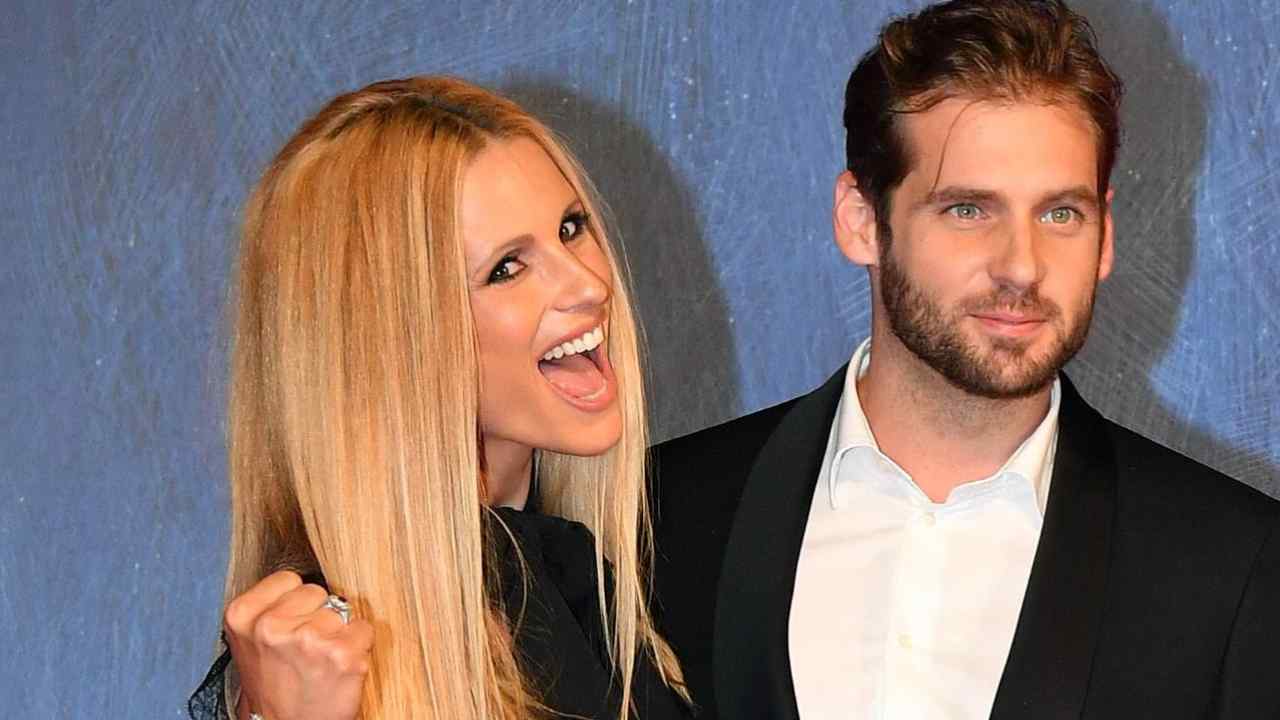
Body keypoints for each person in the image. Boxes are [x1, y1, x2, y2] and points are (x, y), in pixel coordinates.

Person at [652, 1, 1280, 718]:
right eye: (968, 210)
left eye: (1060, 214)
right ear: (862, 221)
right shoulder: (657, 521)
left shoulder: (1234, 568)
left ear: (1105, 236)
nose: (1022, 267)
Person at [187, 76, 690, 720]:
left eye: (571, 228)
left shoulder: (609, 583)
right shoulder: (318, 664)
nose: (589, 283)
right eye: (506, 269)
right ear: (390, 342)